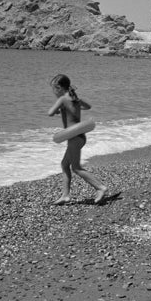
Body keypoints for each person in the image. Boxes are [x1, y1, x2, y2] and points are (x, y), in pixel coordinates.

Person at [48, 74, 107, 206]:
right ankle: (65, 195)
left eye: (54, 89)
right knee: (64, 164)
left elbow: (50, 112)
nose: (53, 92)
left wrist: (59, 108)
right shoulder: (76, 99)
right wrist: (71, 108)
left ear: (59, 88)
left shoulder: (63, 99)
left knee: (76, 167)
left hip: (74, 138)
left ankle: (100, 187)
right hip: (80, 137)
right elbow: (88, 107)